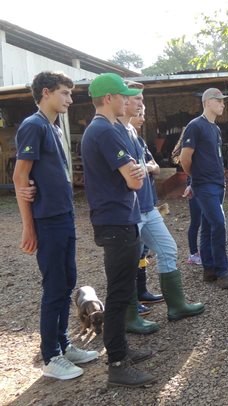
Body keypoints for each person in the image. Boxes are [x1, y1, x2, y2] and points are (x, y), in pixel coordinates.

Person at [13, 71, 98, 380]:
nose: (70, 99)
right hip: (46, 220)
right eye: (64, 93)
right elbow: (20, 177)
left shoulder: (54, 128)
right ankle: (51, 357)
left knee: (66, 284)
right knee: (53, 288)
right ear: (46, 92)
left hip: (63, 216)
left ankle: (64, 345)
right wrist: (28, 226)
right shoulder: (33, 126)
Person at [81, 72, 155, 387]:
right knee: (119, 293)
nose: (129, 100)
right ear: (109, 98)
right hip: (116, 220)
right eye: (124, 96)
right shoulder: (104, 131)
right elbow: (135, 179)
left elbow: (136, 174)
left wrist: (135, 173)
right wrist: (135, 174)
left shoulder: (109, 129)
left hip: (120, 217)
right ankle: (117, 363)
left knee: (123, 291)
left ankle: (121, 347)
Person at [117, 81, 204, 333]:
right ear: (122, 100)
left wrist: (147, 168)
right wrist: (147, 168)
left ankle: (176, 306)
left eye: (143, 99)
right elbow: (136, 171)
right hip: (130, 210)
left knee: (168, 249)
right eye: (137, 99)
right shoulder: (114, 131)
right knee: (129, 261)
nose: (142, 104)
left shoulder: (134, 134)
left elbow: (151, 165)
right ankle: (130, 316)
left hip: (148, 206)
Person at [180, 88, 228, 289]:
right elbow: (184, 158)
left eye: (223, 101)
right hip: (204, 185)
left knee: (207, 225)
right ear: (208, 102)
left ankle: (209, 269)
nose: (222, 104)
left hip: (217, 183)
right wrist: (194, 179)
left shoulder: (216, 129)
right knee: (219, 223)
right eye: (219, 101)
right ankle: (222, 271)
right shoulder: (195, 126)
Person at [128, 106, 163, 316]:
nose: (142, 118)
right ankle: (132, 301)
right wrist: (147, 167)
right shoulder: (122, 139)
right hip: (135, 207)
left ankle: (142, 291)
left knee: (143, 254)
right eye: (138, 114)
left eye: (143, 114)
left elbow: (156, 167)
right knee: (133, 255)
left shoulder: (140, 142)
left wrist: (148, 168)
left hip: (149, 201)